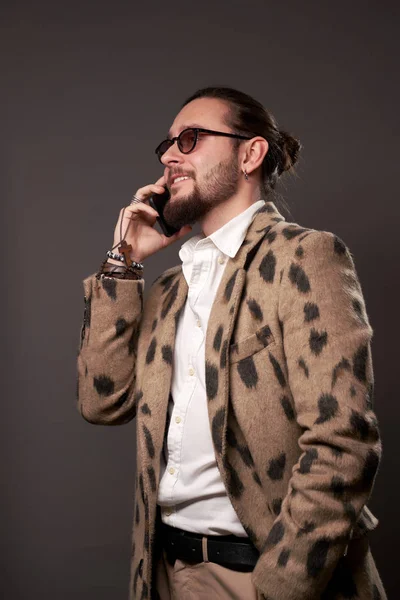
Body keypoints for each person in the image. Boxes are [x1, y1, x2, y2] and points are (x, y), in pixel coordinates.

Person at [76, 86, 387, 600]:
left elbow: (344, 443)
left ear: (250, 153)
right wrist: (122, 263)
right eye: (167, 145)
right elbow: (101, 402)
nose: (170, 155)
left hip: (263, 576)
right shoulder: (171, 291)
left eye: (190, 139)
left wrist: (279, 586)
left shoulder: (304, 259)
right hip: (166, 572)